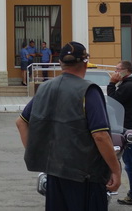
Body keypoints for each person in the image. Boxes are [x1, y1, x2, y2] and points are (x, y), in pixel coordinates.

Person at [16, 41, 122, 211]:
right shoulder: (89, 91)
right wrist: (115, 170)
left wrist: (38, 154)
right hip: (85, 176)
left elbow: (21, 122)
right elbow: (100, 136)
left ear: (60, 63)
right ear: (86, 63)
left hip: (55, 173)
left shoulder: (44, 88)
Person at [108, 60, 132, 206]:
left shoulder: (129, 86)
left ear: (126, 70)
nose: (115, 72)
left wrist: (112, 84)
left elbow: (113, 102)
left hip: (130, 128)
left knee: (131, 163)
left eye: (118, 69)